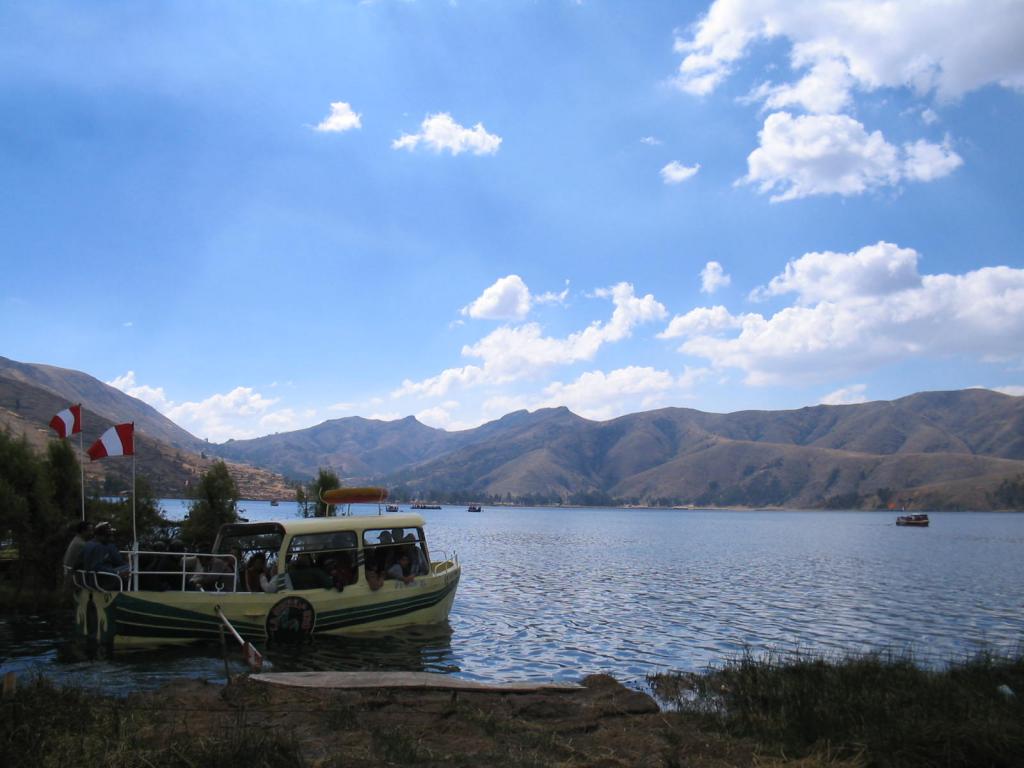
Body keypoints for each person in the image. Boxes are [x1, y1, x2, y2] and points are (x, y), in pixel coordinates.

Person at [81, 522, 129, 587]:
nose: (109, 538)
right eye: (108, 536)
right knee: (133, 569)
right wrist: (118, 573)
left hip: (91, 579)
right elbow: (96, 566)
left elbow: (78, 563)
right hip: (103, 581)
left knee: (130, 567)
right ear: (101, 535)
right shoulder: (99, 547)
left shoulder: (88, 544)